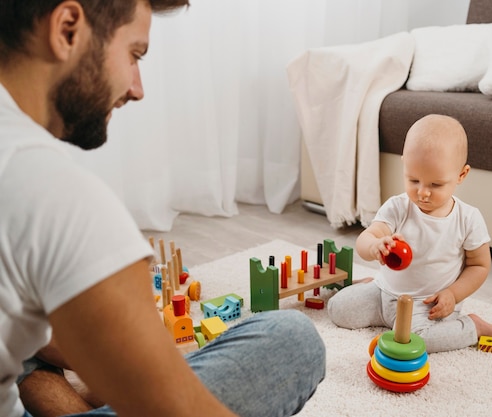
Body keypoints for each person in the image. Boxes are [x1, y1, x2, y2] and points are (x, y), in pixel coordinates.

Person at [0, 2, 325, 417]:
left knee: (27, 314)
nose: (137, 88)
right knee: (291, 338)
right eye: (135, 54)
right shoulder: (56, 195)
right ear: (67, 29)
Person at [327, 114, 492, 353]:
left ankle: (473, 326)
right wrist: (375, 245)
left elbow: (480, 266)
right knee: (338, 309)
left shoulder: (468, 219)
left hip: (427, 304)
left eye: (435, 185)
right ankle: (373, 292)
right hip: (384, 292)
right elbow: (366, 239)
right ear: (405, 165)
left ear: (461, 175)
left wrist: (453, 294)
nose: (422, 193)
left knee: (414, 341)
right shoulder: (398, 206)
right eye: (413, 180)